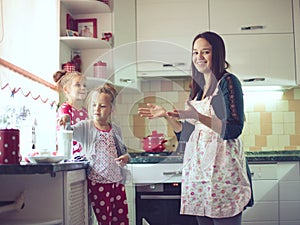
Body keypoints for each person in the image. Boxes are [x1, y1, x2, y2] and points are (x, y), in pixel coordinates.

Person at [138, 31, 252, 225]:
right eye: (195, 52)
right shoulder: (197, 88)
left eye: (205, 52)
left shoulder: (229, 82)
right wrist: (166, 115)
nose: (199, 57)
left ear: (217, 54)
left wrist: (196, 116)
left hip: (223, 170)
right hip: (198, 171)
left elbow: (233, 128)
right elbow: (187, 134)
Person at [59, 83, 130, 225]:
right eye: (94, 105)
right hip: (98, 183)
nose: (97, 109)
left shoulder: (115, 129)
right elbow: (68, 132)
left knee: (121, 220)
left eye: (102, 106)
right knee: (105, 220)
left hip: (117, 182)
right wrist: (66, 119)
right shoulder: (85, 126)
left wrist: (125, 158)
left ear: (111, 109)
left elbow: (124, 152)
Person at [53, 70, 88, 158]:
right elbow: (65, 121)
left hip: (84, 155)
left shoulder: (85, 111)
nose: (83, 88)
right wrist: (65, 118)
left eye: (84, 85)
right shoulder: (65, 109)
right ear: (66, 89)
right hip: (69, 155)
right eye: (78, 85)